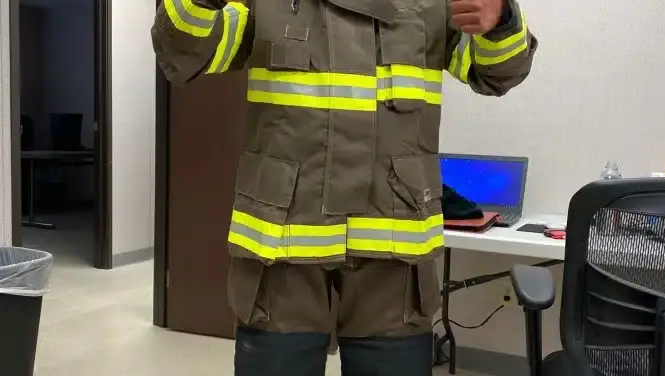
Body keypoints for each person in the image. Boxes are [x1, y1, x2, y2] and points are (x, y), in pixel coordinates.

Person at [152, 0, 537, 374]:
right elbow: (182, 49)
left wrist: (501, 18)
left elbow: (499, 73)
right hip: (283, 243)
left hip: (392, 246)